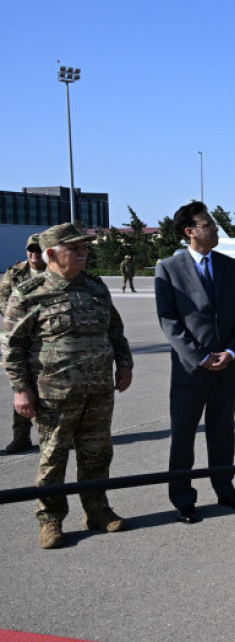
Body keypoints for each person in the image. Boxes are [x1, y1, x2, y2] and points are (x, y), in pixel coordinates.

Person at [1, 223, 133, 549]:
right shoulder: (29, 294)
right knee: (53, 457)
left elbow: (115, 330)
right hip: (54, 393)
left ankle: (97, 511)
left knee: (97, 453)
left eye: (83, 247)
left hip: (99, 389)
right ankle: (50, 520)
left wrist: (125, 363)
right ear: (50, 255)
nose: (82, 252)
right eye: (73, 248)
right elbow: (12, 347)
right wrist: (21, 389)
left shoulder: (95, 287)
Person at [154, 201, 235, 523]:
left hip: (226, 366)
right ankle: (183, 498)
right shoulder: (169, 268)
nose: (215, 228)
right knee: (183, 435)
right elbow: (169, 321)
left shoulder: (227, 265)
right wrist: (199, 356)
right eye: (207, 224)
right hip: (190, 369)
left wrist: (232, 352)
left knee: (222, 431)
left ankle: (225, 489)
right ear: (190, 231)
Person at [1, 234, 46, 454]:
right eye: (31, 249)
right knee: (22, 387)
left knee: (52, 389)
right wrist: (20, 320)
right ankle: (21, 436)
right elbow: (3, 300)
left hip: (46, 338)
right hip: (21, 337)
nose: (34, 253)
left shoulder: (54, 270)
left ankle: (58, 435)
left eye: (38, 249)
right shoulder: (15, 273)